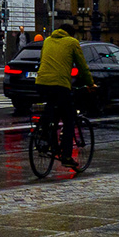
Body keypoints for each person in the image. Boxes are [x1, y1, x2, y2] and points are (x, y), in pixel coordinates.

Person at [34, 20, 90, 170]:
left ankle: (45, 135)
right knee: (69, 118)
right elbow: (82, 66)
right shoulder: (72, 42)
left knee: (52, 108)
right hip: (60, 84)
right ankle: (66, 156)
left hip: (41, 82)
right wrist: (90, 83)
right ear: (71, 34)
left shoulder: (47, 41)